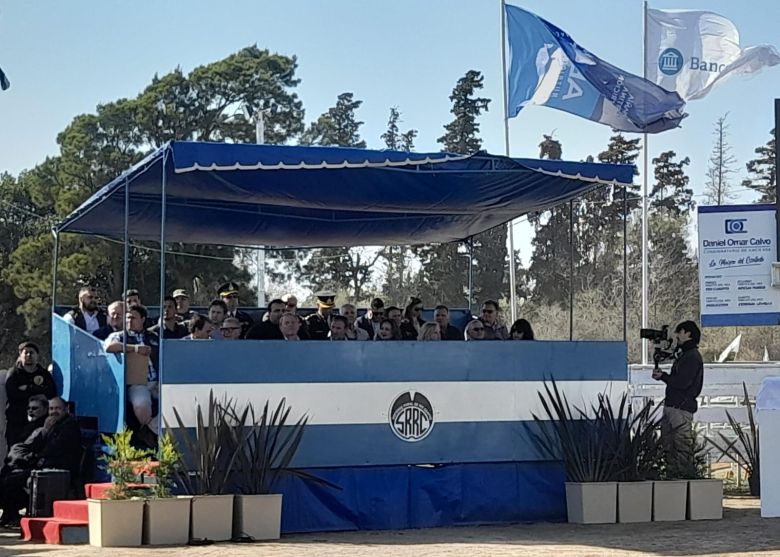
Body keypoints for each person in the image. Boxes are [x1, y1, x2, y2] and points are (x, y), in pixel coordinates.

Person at [0, 397, 82, 527]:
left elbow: (54, 448)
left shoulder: (69, 426)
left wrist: (38, 457)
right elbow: (33, 444)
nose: (54, 412)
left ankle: (13, 515)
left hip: (58, 468)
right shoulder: (49, 424)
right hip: (44, 465)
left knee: (12, 481)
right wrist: (44, 431)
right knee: (7, 475)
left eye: (57, 408)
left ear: (66, 409)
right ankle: (10, 514)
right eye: (51, 409)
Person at [104, 305, 159, 449]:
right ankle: (151, 431)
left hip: (157, 381)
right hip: (137, 382)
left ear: (143, 319)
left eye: (133, 317)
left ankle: (150, 432)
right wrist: (134, 349)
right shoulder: (120, 336)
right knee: (141, 405)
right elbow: (109, 347)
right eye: (127, 317)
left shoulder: (153, 336)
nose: (129, 321)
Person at [652, 321, 704, 462]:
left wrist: (663, 376)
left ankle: (681, 476)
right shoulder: (686, 354)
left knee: (681, 449)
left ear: (688, 334)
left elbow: (682, 382)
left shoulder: (691, 357)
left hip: (680, 407)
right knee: (668, 447)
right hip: (674, 406)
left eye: (679, 332)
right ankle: (674, 476)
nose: (676, 335)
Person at [5, 342, 56, 447]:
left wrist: (28, 388)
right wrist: (38, 392)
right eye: (26, 352)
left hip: (39, 422)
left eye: (31, 352)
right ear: (20, 355)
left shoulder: (43, 374)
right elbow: (13, 394)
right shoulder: (14, 373)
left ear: (37, 356)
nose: (29, 355)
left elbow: (51, 392)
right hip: (17, 422)